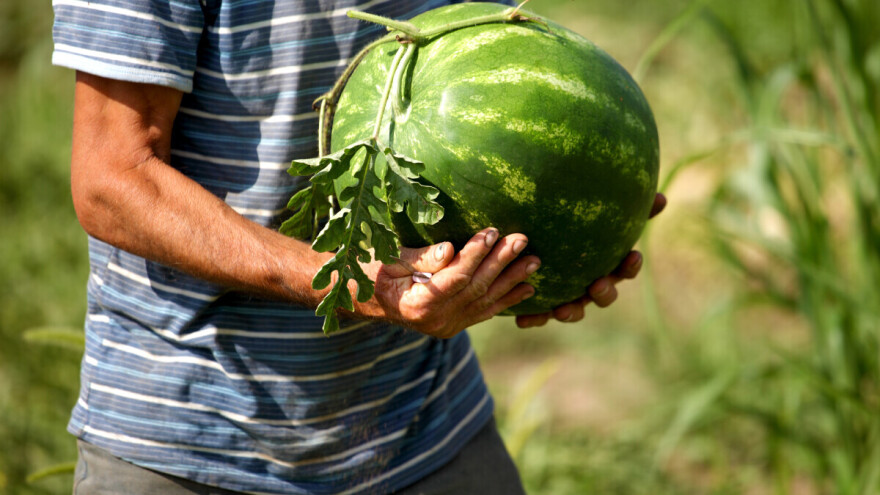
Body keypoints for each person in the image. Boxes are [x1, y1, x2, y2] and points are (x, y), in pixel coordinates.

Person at [53, 0, 666, 493]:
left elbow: (508, 72)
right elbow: (113, 179)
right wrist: (343, 281)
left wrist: (561, 235)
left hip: (427, 431)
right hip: (189, 446)